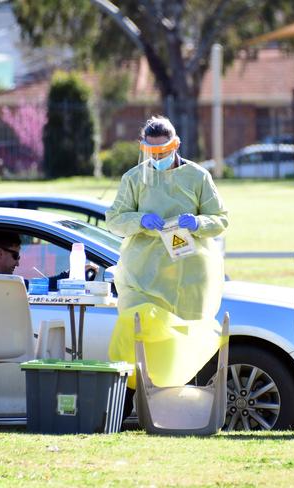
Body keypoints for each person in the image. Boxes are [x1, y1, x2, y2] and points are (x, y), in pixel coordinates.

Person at [105, 115, 228, 422]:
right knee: (139, 339)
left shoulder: (198, 177)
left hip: (189, 278)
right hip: (143, 277)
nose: (158, 158)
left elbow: (221, 219)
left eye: (164, 150)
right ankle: (124, 412)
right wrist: (139, 221)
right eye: (152, 152)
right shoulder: (135, 179)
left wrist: (199, 223)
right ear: (143, 148)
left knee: (185, 340)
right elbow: (115, 218)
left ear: (176, 145)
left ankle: (187, 415)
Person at [0, 230, 97, 289]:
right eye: (15, 256)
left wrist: (68, 275)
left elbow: (32, 286)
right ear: (0, 253)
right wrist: (69, 275)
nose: (17, 263)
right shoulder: (2, 285)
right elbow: (35, 287)